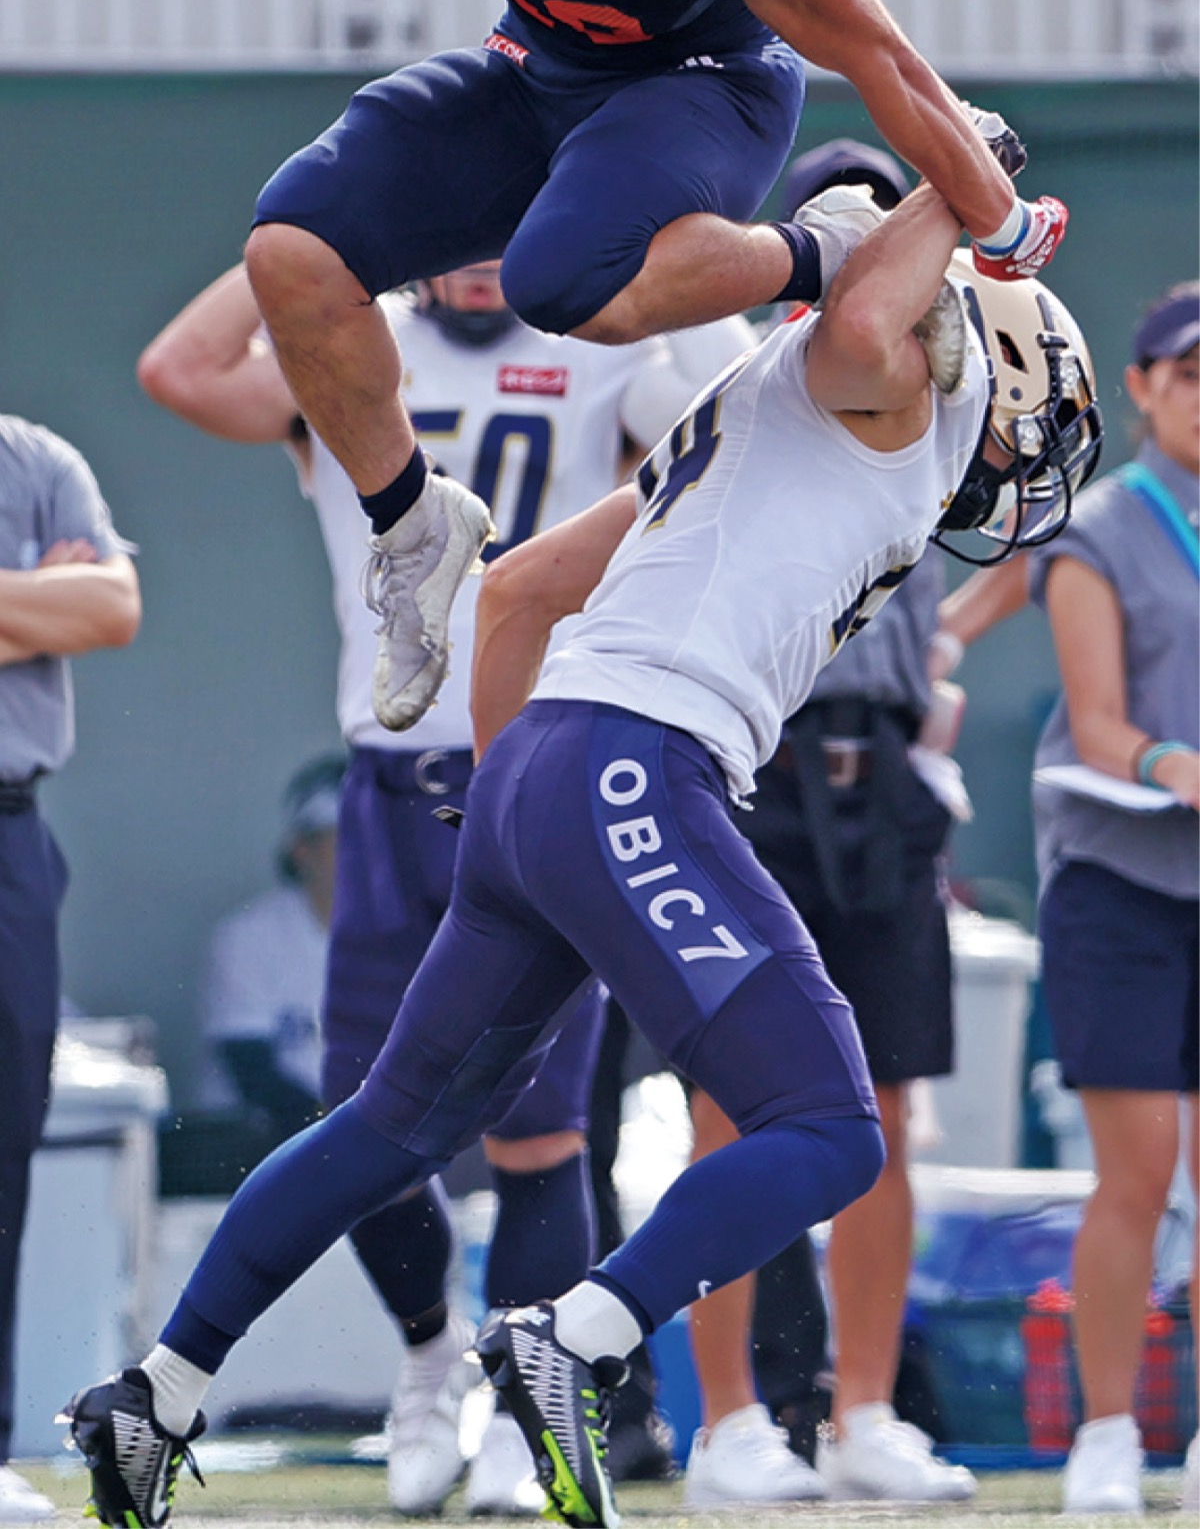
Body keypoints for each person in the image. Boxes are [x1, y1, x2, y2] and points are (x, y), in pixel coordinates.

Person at [64, 173, 1101, 1529]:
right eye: (1038, 419)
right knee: (834, 1128)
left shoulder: (742, 420)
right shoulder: (881, 387)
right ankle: (582, 1335)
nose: (1024, 458)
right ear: (980, 353)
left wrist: (512, 821)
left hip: (543, 766)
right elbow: (864, 318)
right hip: (636, 761)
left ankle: (156, 1388)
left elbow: (519, 588)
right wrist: (965, 189)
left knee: (390, 1120)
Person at [147, 0, 1066, 758]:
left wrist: (1000, 218)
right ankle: (414, 528)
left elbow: (878, 53)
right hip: (537, 66)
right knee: (292, 247)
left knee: (567, 282)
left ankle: (828, 245)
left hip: (704, 82)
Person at [137, 257, 749, 1513]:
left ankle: (525, 1413)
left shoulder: (601, 340)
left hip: (537, 763)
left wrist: (657, 262)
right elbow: (181, 372)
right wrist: (307, 244)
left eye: (498, 225)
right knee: (360, 1111)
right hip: (389, 775)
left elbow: (735, 430)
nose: (476, 255)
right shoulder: (352, 340)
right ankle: (429, 1360)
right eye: (453, 224)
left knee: (544, 1126)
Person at [677, 139, 976, 1509]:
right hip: (756, 766)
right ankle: (729, 1417)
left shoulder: (954, 379)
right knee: (729, 1102)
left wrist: (939, 683)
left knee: (890, 1107)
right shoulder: (741, 377)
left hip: (888, 779)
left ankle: (864, 1409)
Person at [1028, 281, 1197, 1515]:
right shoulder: (1097, 527)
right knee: (1137, 1171)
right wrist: (1171, 762)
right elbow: (1097, 727)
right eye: (1187, 374)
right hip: (1120, 883)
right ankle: (1104, 1433)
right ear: (1139, 388)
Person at [0, 416, 140, 1523]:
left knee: (5, 1134)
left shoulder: (35, 459)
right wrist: (27, 599)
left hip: (9, 827)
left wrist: (70, 599)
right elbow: (65, 608)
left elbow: (110, 609)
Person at [196, 755, 345, 1137]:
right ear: (302, 850)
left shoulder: (408, 936)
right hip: (261, 1142)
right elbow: (250, 1068)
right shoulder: (247, 937)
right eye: (344, 837)